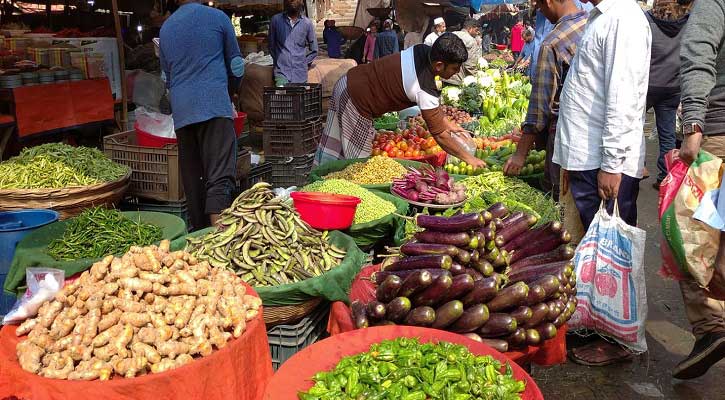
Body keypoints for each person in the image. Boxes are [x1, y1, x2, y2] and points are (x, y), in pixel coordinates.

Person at [553, 0, 651, 365]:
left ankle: (620, 340)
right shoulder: (603, 17)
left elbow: (623, 98)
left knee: (616, 254)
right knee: (597, 253)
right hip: (588, 157)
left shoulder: (624, 19)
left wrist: (612, 164)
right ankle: (596, 325)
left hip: (605, 162)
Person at [314, 33, 485, 170]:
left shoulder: (422, 50)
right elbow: (440, 135)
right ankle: (347, 194)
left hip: (348, 82)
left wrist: (447, 123)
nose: (457, 72)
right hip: (356, 99)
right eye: (455, 68)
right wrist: (470, 159)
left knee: (335, 145)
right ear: (439, 65)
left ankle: (322, 181)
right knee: (359, 164)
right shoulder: (424, 88)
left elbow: (436, 114)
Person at [673, 0, 725, 380]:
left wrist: (692, 124)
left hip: (717, 140)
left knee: (692, 237)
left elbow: (698, 53)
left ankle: (711, 328)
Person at [159, 0, 244, 230]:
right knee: (219, 176)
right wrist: (231, 92)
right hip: (214, 105)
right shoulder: (218, 18)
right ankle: (219, 239)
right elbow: (237, 65)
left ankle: (199, 238)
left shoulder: (166, 28)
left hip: (182, 112)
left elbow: (166, 78)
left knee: (194, 181)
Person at [503, 0, 588, 202]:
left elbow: (539, 107)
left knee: (560, 202)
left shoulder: (553, 42)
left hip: (564, 137)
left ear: (548, 2)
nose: (542, 13)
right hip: (591, 136)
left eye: (540, 7)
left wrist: (520, 155)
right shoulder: (590, 24)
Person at [645, 1, 692, 189]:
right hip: (673, 86)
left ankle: (637, 168)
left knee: (634, 127)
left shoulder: (646, 21)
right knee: (668, 136)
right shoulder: (688, 23)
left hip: (646, 84)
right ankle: (665, 177)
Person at [530, 0, 592, 79]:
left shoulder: (550, 44)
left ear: (547, 2)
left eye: (538, 7)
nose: (534, 4)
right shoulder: (593, 22)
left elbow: (544, 85)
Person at [268, 0, 318, 86]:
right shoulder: (276, 20)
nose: (292, 1)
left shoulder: (307, 23)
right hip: (281, 74)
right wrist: (280, 62)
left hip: (300, 75)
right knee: (282, 93)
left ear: (301, 2)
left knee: (298, 95)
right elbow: (271, 46)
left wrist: (303, 63)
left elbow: (314, 49)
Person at [444, 18, 482, 86]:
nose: (477, 33)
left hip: (443, 75)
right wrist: (475, 78)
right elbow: (470, 64)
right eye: (476, 30)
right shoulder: (471, 40)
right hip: (456, 80)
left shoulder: (451, 34)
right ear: (470, 29)